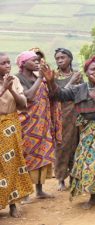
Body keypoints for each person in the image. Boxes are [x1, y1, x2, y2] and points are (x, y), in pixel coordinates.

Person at [43, 55, 95, 210]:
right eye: (92, 69)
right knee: (86, 164)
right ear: (85, 72)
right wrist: (51, 81)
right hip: (86, 130)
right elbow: (59, 95)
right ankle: (92, 197)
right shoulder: (79, 89)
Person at [16, 51, 62, 201]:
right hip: (26, 124)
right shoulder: (17, 79)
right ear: (23, 63)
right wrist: (41, 79)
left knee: (41, 155)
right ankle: (25, 192)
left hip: (42, 124)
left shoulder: (39, 79)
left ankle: (40, 190)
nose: (37, 63)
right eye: (33, 61)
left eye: (38, 61)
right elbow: (28, 97)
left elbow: (53, 96)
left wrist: (49, 80)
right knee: (25, 156)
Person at [0, 52, 33, 217]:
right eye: (3, 63)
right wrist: (2, 89)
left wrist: (11, 89)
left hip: (11, 127)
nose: (7, 66)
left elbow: (22, 104)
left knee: (13, 164)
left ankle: (13, 204)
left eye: (8, 62)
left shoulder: (15, 80)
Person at [54, 48, 82, 191]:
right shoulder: (53, 76)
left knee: (75, 145)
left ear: (70, 58)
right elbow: (58, 93)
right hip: (60, 114)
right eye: (57, 58)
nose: (60, 60)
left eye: (63, 57)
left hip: (75, 113)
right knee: (62, 146)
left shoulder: (78, 75)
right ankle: (60, 178)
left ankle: (73, 176)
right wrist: (71, 81)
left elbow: (81, 93)